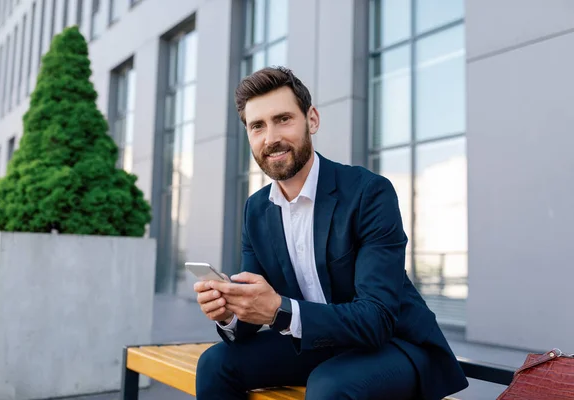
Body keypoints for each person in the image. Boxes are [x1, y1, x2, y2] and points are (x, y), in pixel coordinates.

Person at [193, 66, 469, 400]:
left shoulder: (369, 193)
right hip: (316, 342)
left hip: (394, 343)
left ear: (312, 120)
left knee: (330, 386)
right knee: (213, 364)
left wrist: (280, 310)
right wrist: (229, 315)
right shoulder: (256, 209)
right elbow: (256, 312)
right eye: (257, 126)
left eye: (283, 119)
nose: (271, 138)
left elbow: (377, 318)